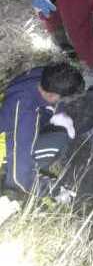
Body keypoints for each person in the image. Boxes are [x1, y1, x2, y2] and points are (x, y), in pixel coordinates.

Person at [0, 63, 84, 196]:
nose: (64, 100)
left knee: (57, 124)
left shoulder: (43, 74)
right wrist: (54, 190)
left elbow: (53, 103)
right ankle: (5, 175)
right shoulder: (25, 115)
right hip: (6, 145)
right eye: (62, 97)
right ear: (52, 95)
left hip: (17, 121)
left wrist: (58, 112)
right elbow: (18, 177)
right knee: (60, 141)